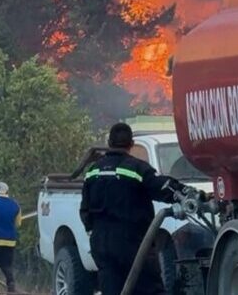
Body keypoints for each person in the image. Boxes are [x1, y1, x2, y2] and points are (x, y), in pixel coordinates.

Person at [81, 122, 190, 295]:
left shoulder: (93, 170)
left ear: (109, 142)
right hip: (131, 243)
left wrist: (94, 231)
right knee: (149, 289)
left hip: (101, 244)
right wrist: (186, 193)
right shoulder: (137, 168)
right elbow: (161, 187)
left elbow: (85, 209)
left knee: (111, 289)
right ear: (131, 144)